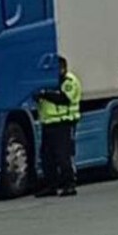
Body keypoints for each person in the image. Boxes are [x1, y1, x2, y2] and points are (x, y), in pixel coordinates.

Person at [35, 55, 82, 197]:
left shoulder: (69, 81)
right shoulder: (47, 82)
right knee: (47, 156)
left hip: (64, 122)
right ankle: (51, 185)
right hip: (48, 122)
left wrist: (44, 94)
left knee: (63, 156)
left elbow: (64, 99)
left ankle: (69, 184)